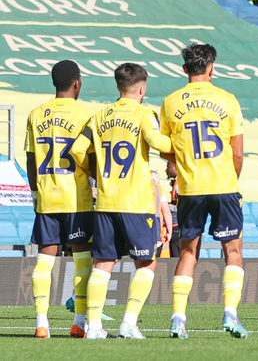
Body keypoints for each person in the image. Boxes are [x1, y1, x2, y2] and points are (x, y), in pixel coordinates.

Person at [71, 63, 173, 339]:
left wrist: (94, 172)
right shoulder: (143, 114)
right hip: (136, 204)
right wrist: (180, 142)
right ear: (142, 88)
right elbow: (159, 143)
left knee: (103, 264)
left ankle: (93, 327)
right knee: (146, 264)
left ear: (118, 86)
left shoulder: (99, 116)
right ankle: (128, 323)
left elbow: (77, 150)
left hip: (105, 203)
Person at [160, 43, 247, 339]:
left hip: (190, 188)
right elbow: (237, 153)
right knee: (232, 251)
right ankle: (230, 315)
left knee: (188, 252)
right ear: (211, 68)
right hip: (224, 186)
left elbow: (165, 150)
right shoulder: (228, 100)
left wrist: (184, 164)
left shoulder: (170, 102)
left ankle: (178, 318)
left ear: (185, 69)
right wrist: (230, 181)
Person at [24, 60, 94, 339]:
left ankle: (42, 322)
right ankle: (78, 322)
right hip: (77, 199)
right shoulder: (85, 115)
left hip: (47, 198)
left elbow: (31, 159)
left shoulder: (35, 114)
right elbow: (89, 157)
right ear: (76, 83)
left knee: (44, 260)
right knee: (82, 261)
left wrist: (34, 192)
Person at [151, 171, 173, 258]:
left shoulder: (137, 189)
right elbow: (166, 212)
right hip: (156, 231)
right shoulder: (158, 191)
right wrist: (170, 231)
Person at [166, 161, 181, 257]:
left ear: (175, 168)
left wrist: (167, 207)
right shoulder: (177, 182)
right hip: (176, 222)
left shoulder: (179, 183)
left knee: (177, 250)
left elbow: (181, 203)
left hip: (177, 223)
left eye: (168, 167)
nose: (166, 170)